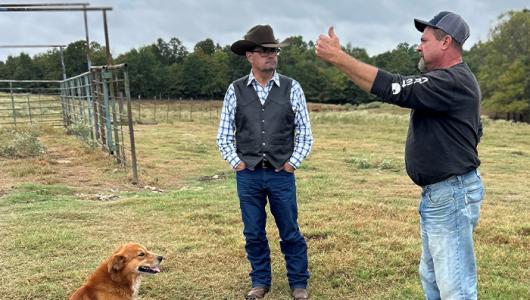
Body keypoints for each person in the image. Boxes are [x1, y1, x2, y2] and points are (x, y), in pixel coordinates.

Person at [315, 11, 485, 300]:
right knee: (433, 279)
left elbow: (394, 88)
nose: (418, 46)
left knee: (455, 288)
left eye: (424, 40)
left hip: (450, 195)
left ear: (446, 42)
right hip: (442, 194)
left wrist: (339, 58)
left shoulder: (452, 81)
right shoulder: (447, 82)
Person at [217, 24, 313, 300]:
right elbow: (224, 135)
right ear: (250, 56)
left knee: (290, 230)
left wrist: (292, 163)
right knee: (253, 232)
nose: (271, 56)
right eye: (264, 51)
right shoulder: (235, 90)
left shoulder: (292, 88)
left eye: (274, 51)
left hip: (281, 173)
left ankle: (298, 283)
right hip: (248, 175)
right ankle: (260, 282)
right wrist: (237, 163)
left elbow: (305, 132)